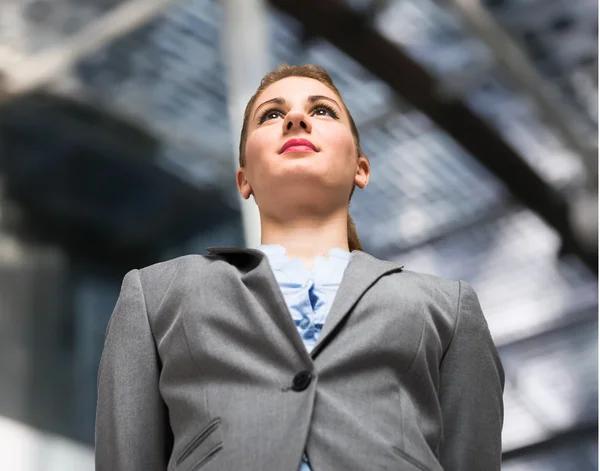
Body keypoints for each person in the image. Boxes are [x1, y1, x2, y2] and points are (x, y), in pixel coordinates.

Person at [95, 64, 505, 471]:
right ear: (244, 179)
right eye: (271, 115)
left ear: (360, 168)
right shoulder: (155, 293)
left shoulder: (447, 306)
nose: (295, 118)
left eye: (322, 110)